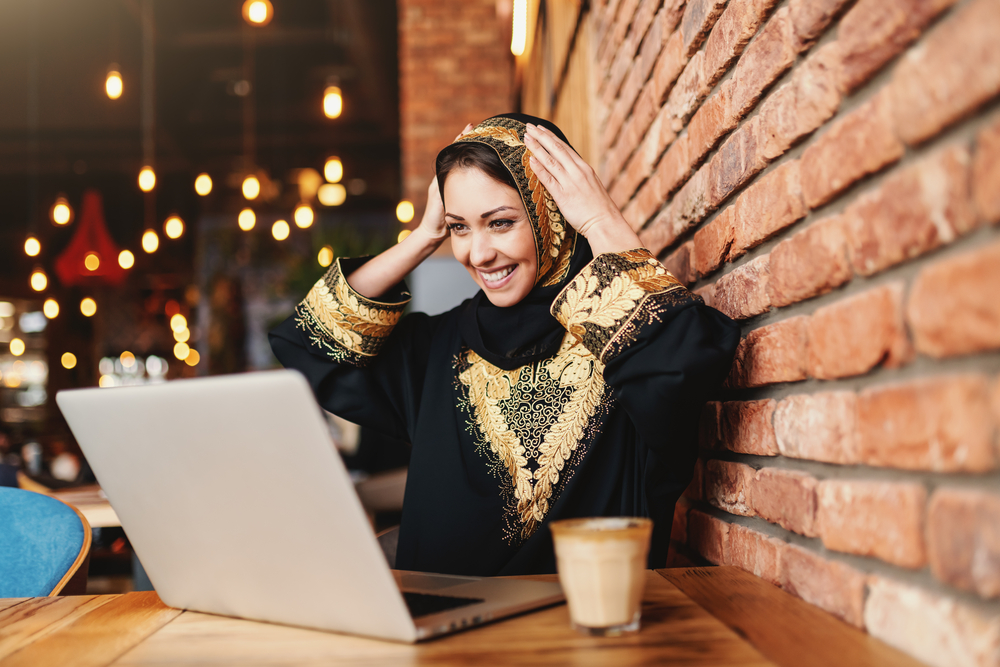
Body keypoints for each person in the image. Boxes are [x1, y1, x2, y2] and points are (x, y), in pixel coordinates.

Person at [269, 113, 740, 576]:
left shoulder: (619, 336)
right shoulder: (437, 350)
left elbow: (686, 367)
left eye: (499, 223)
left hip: (586, 635)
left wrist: (599, 221)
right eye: (459, 228)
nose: (478, 253)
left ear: (551, 216)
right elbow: (309, 344)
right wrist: (423, 236)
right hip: (443, 640)